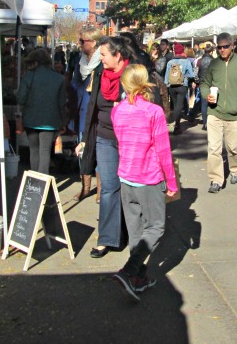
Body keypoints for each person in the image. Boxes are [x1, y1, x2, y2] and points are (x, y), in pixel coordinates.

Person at [110, 64, 179, 301]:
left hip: (126, 175)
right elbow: (163, 150)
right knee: (156, 226)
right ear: (146, 82)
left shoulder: (117, 110)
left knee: (136, 229)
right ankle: (130, 271)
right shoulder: (153, 111)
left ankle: (137, 277)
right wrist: (172, 182)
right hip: (147, 177)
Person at [75, 36, 132, 258]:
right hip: (105, 137)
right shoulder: (99, 73)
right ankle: (107, 238)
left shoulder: (132, 74)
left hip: (129, 140)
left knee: (128, 188)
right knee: (109, 187)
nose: (100, 57)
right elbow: (93, 108)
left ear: (118, 56)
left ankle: (129, 233)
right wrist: (85, 138)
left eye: (104, 54)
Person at [200, 32, 237, 192]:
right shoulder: (214, 64)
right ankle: (216, 179)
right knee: (214, 148)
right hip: (214, 113)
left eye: (225, 47)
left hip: (234, 114)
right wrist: (206, 95)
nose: (222, 50)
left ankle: (236, 170)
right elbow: (204, 83)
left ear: (232, 46)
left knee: (234, 147)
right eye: (219, 47)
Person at [17, 48, 68, 175]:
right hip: (51, 121)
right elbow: (62, 103)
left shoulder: (28, 76)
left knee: (34, 151)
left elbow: (20, 99)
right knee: (45, 152)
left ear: (35, 62)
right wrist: (63, 121)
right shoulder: (58, 78)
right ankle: (43, 182)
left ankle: (34, 181)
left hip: (31, 119)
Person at [71, 26, 102, 201]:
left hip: (97, 112)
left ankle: (100, 189)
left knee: (98, 149)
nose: (80, 44)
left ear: (94, 42)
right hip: (82, 110)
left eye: (83, 41)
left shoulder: (103, 61)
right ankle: (85, 187)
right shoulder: (80, 60)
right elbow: (75, 84)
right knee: (82, 150)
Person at [163, 43, 195, 135]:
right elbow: (192, 74)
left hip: (172, 86)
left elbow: (166, 76)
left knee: (175, 103)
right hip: (182, 85)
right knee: (179, 105)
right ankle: (177, 125)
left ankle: (176, 122)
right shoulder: (186, 61)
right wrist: (185, 76)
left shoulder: (170, 62)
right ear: (182, 51)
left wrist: (166, 85)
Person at [194, 43, 214, 129]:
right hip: (213, 84)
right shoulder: (215, 61)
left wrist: (198, 82)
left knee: (204, 104)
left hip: (202, 84)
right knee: (213, 103)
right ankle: (212, 123)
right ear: (212, 52)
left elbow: (196, 73)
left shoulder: (199, 61)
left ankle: (205, 123)